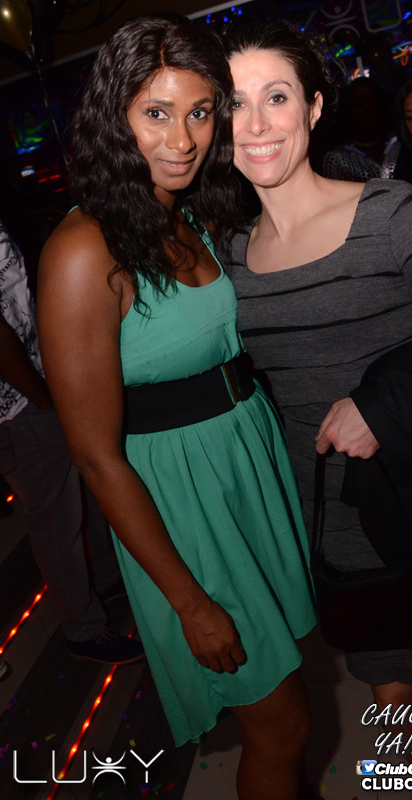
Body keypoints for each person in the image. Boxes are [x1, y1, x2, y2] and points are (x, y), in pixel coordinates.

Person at [224, 20, 412, 800]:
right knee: (393, 698)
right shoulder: (227, 261)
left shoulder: (391, 214)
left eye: (275, 97)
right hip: (333, 521)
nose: (254, 123)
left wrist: (383, 405)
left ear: (313, 107)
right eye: (233, 103)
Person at [37, 14, 317, 800]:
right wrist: (189, 601)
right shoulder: (82, 250)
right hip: (183, 508)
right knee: (281, 726)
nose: (183, 139)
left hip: (244, 469)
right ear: (113, 117)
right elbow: (95, 456)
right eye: (156, 113)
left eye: (199, 112)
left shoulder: (186, 211)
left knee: (291, 697)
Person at [0, 220, 143, 666]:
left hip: (35, 384)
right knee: (55, 517)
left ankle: (104, 578)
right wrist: (43, 399)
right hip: (17, 403)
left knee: (80, 487)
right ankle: (84, 629)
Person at [322, 77, 400, 181]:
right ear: (348, 110)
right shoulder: (338, 158)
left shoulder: (397, 145)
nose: (368, 109)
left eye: (373, 102)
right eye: (359, 105)